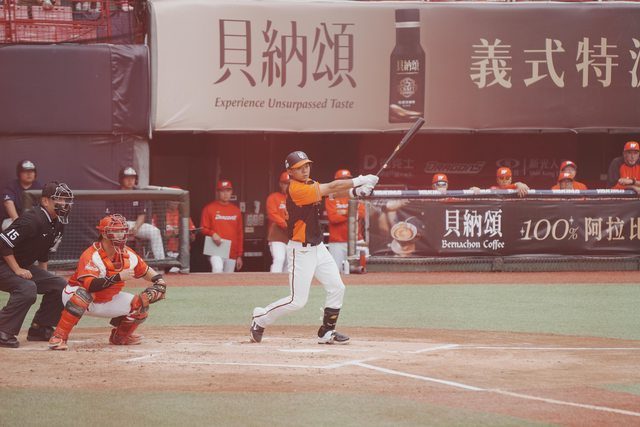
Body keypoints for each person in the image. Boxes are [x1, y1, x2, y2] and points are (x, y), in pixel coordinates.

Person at [249, 151, 378, 345]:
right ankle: (260, 318)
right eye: (299, 167)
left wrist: (355, 192)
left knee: (337, 287)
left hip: (318, 247)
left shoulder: (309, 184)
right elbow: (333, 186)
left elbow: (332, 193)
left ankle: (327, 332)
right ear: (290, 172)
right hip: (300, 251)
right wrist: (361, 180)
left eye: (307, 165)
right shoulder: (297, 189)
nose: (305, 170)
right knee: (297, 301)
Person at [48, 214, 167, 350]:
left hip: (107, 299)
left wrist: (159, 281)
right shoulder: (91, 255)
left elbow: (146, 271)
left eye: (123, 231)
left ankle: (120, 337)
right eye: (116, 231)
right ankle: (59, 336)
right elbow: (90, 285)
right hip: (75, 295)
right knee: (83, 295)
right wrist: (117, 277)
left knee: (141, 304)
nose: (121, 235)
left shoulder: (128, 254)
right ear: (104, 234)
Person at [0, 181, 73, 348]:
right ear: (45, 201)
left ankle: (40, 328)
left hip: (19, 264)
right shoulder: (32, 219)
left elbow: (43, 251)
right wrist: (17, 269)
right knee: (27, 288)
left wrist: (45, 279)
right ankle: (3, 330)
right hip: (3, 262)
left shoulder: (58, 222)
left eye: (65, 200)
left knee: (59, 285)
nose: (63, 203)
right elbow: (3, 243)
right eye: (59, 199)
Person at [106, 166, 165, 260]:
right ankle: (112, 262)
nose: (130, 181)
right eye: (127, 178)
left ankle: (161, 262)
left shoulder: (139, 193)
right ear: (121, 179)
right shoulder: (114, 193)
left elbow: (141, 215)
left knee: (155, 232)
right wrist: (122, 227)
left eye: (132, 178)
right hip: (119, 226)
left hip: (136, 225)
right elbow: (111, 217)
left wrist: (136, 227)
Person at [325, 169, 367, 273]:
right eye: (342, 179)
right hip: (337, 242)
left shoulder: (356, 195)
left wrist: (343, 212)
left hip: (357, 240)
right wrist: (352, 212)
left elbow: (362, 214)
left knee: (361, 270)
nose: (345, 182)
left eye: (347, 179)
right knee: (336, 271)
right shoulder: (331, 196)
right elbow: (333, 218)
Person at [200, 180, 243, 273]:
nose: (225, 193)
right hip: (215, 248)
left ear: (231, 192)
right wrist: (212, 233)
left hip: (232, 250)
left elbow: (239, 233)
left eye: (228, 190)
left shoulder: (236, 210)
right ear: (218, 192)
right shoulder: (209, 208)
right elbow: (203, 228)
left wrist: (239, 255)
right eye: (222, 191)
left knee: (228, 278)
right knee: (217, 269)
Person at [152, 187, 196, 273]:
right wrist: (172, 234)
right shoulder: (159, 215)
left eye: (177, 200)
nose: (175, 202)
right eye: (173, 200)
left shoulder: (184, 216)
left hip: (181, 253)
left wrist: (186, 234)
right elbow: (154, 238)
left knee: (179, 274)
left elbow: (193, 238)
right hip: (164, 253)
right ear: (168, 200)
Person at [1, 160, 43, 231]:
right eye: (25, 171)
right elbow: (8, 203)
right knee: (10, 226)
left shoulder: (38, 186)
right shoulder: (11, 186)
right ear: (19, 173)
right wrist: (19, 223)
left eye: (31, 171)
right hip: (13, 219)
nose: (29, 174)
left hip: (31, 220)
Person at [265, 171, 289, 273]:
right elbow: (272, 214)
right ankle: (273, 281)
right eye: (285, 183)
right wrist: (286, 224)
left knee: (289, 263)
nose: (287, 186)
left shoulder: (296, 199)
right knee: (279, 259)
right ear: (280, 184)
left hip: (291, 236)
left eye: (290, 183)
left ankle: (285, 283)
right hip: (277, 235)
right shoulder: (273, 197)